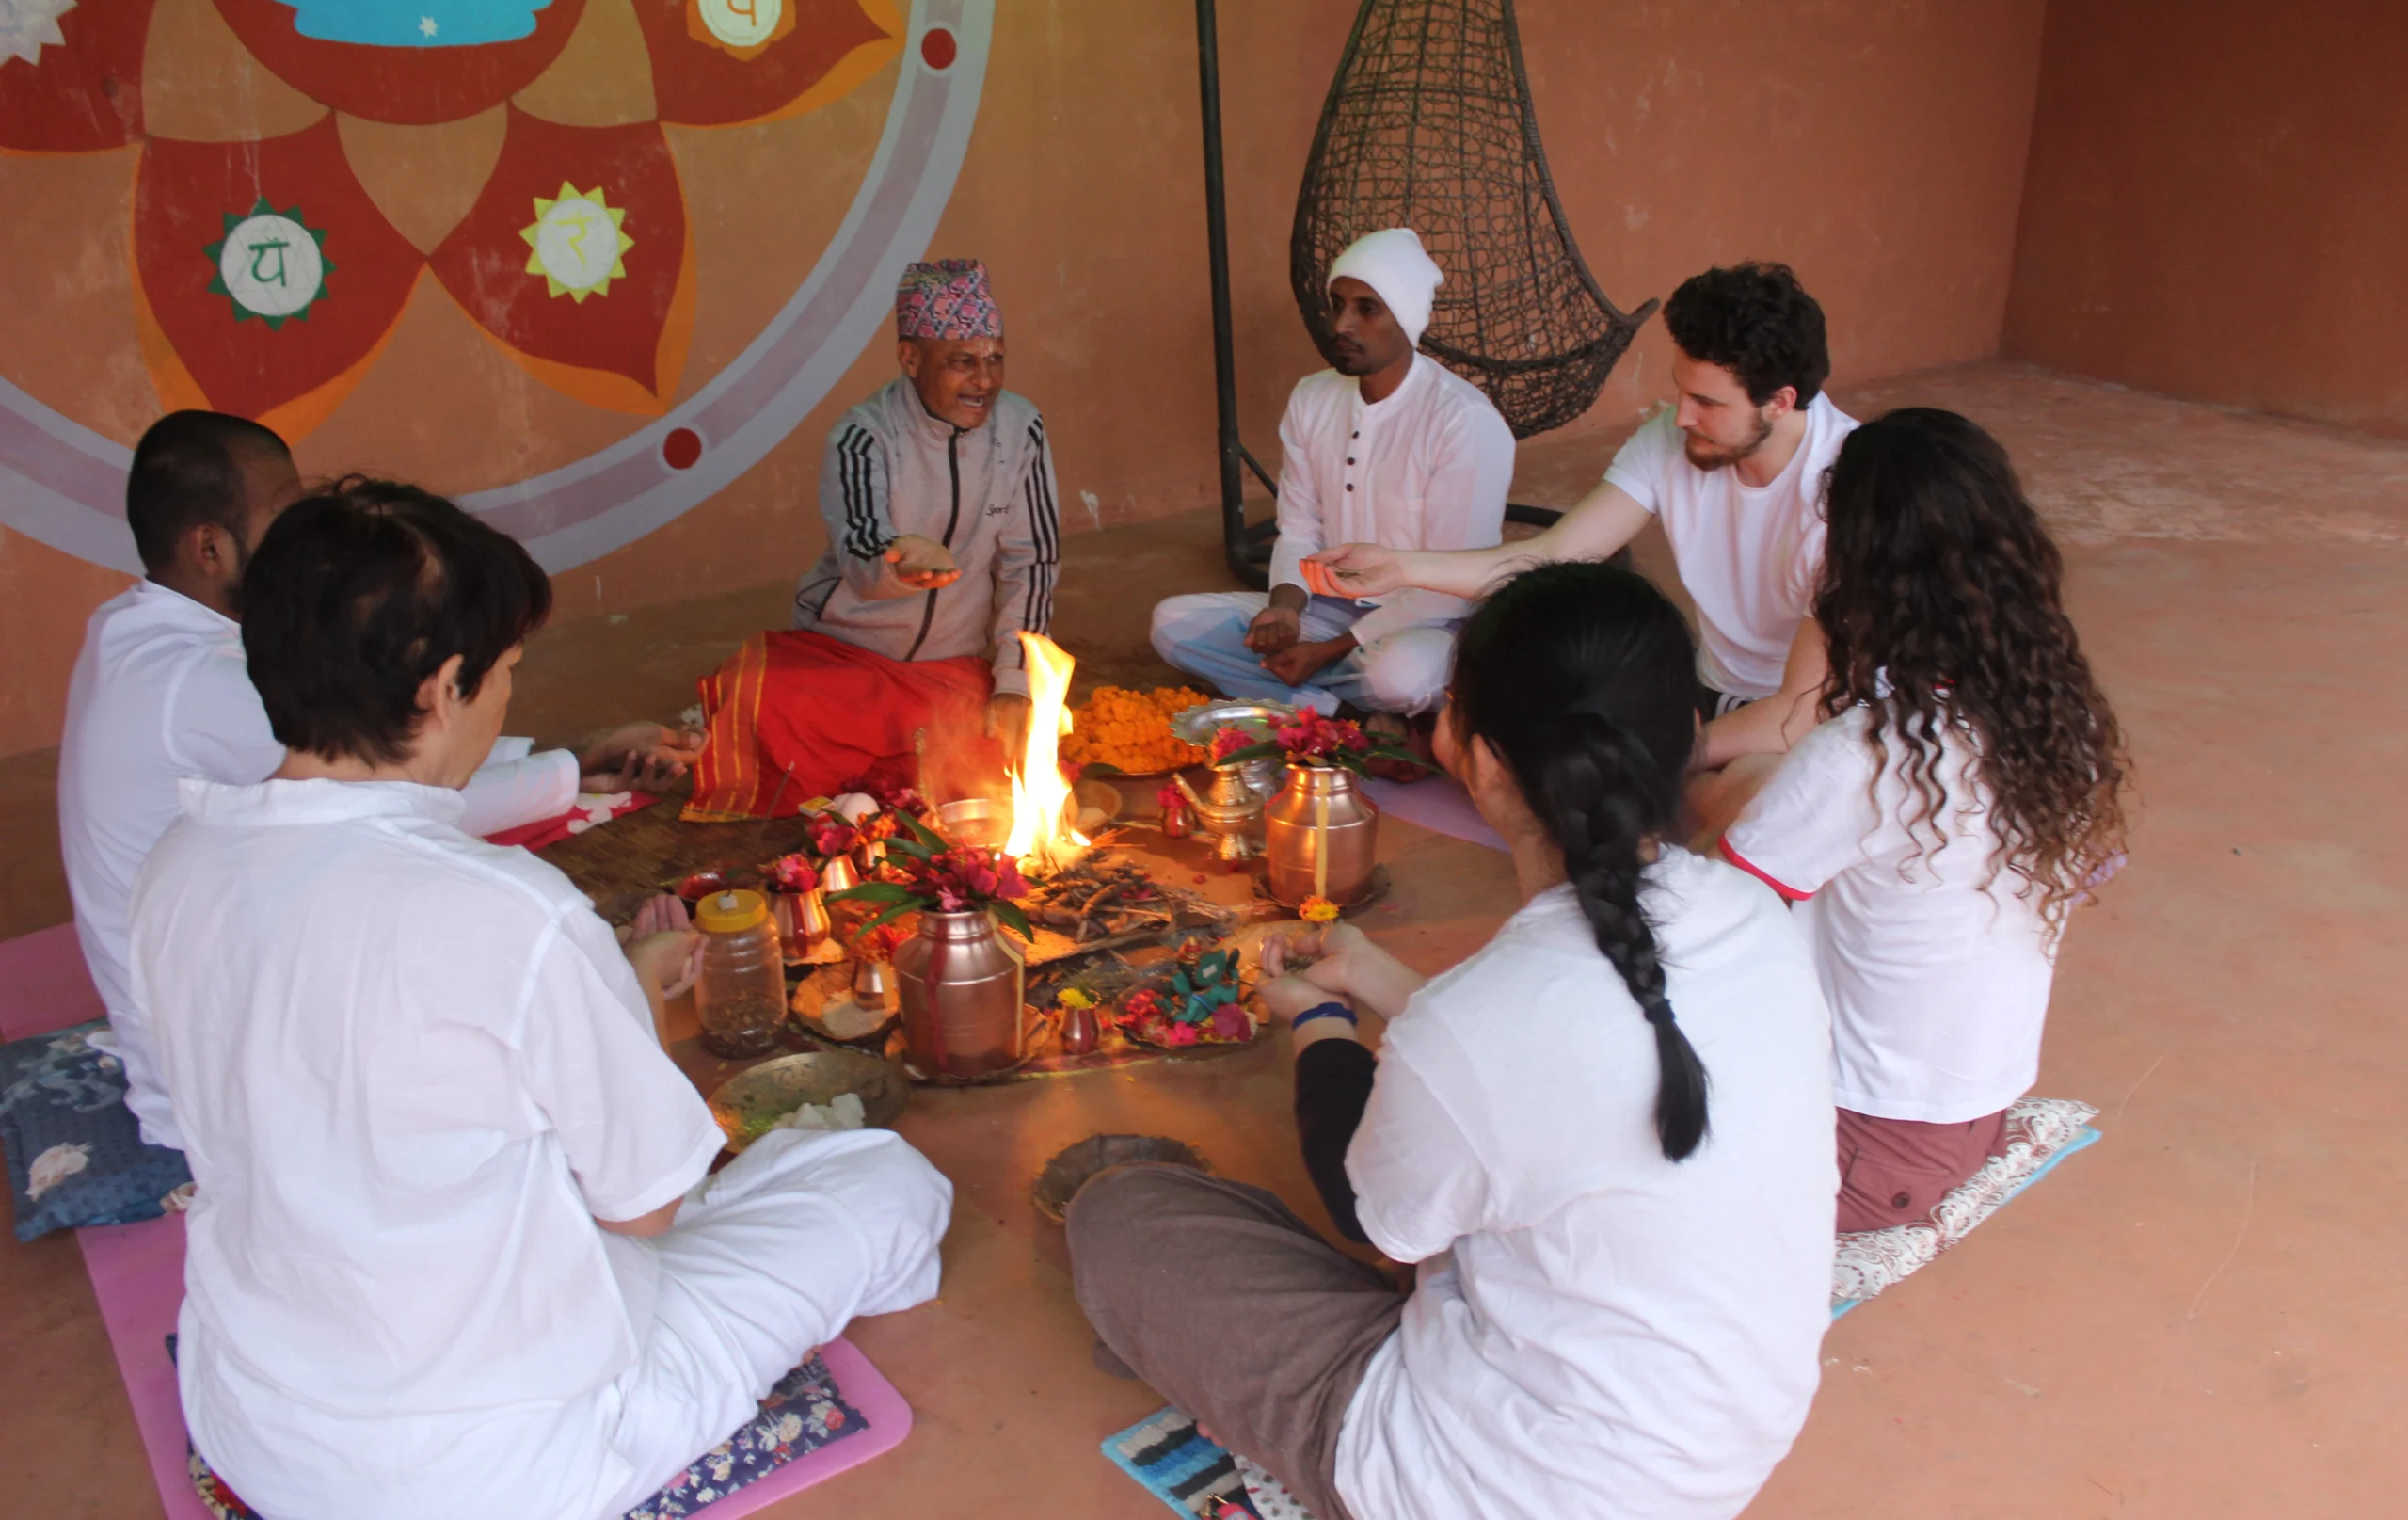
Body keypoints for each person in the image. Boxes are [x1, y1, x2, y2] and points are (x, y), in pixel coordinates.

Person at [128, 479, 952, 1520]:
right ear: (440, 690)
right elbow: (643, 1207)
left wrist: (604, 993)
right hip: (500, 1461)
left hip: (257, 1418)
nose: (509, 698)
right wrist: (628, 1005)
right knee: (883, 1183)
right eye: (507, 673)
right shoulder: (509, 910)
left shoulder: (176, 861)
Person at [1069, 562, 1836, 1520]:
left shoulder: (1479, 1021)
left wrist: (1316, 1020)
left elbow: (1371, 1216)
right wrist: (1376, 978)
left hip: (1481, 1488)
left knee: (1123, 1215)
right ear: (1686, 735)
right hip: (1719, 1459)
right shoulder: (1755, 917)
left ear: (1474, 761)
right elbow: (1553, 1061)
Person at [56, 410, 693, 1151]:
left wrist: (572, 760)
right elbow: (403, 789)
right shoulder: (204, 683)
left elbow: (389, 754)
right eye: (288, 514)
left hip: (219, 1052)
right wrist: (635, 988)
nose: (312, 532)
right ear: (209, 546)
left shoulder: (133, 630)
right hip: (236, 1098)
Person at [1716, 408, 2130, 1231]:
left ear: (1863, 569)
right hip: (1966, 1119)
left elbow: (1703, 922)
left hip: (1858, 1151)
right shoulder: (2057, 714)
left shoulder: (1864, 754)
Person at [1309, 262, 1853, 780]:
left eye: (1706, 403)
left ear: (1780, 402)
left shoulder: (1859, 489)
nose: (1682, 416)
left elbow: (1798, 716)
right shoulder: (1675, 437)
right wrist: (1400, 567)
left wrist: (1660, 760)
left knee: (1740, 797)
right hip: (1702, 694)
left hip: (1812, 725)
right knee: (1464, 737)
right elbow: (1552, 558)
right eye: (1682, 392)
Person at [686, 259, 1060, 816]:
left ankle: (870, 779)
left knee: (1010, 742)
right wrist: (901, 565)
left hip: (949, 669)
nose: (985, 380)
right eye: (963, 361)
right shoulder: (862, 435)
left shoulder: (1021, 427)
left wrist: (1012, 679)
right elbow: (861, 551)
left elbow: (1031, 562)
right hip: (849, 661)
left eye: (995, 358)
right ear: (910, 358)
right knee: (761, 701)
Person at [1150, 228, 1514, 718]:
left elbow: (1450, 586)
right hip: (1324, 608)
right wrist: (1284, 607)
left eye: (1367, 309)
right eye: (1338, 303)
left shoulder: (1463, 421)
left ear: (1406, 318)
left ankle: (1319, 696)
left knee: (1401, 676)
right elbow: (1299, 527)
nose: (1342, 324)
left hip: (1426, 622)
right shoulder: (1312, 398)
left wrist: (1329, 649)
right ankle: (1338, 713)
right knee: (1172, 624)